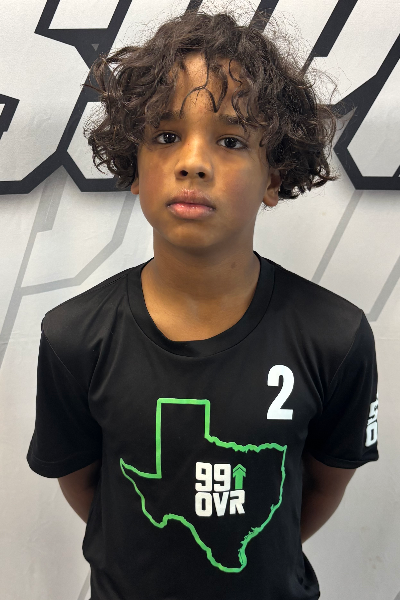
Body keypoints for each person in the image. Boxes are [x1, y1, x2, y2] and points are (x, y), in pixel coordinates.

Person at [26, 9, 379, 600]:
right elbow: (88, 489)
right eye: (166, 137)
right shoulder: (73, 337)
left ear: (274, 177)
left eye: (231, 140)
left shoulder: (335, 336)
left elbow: (320, 488)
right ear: (134, 166)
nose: (192, 161)